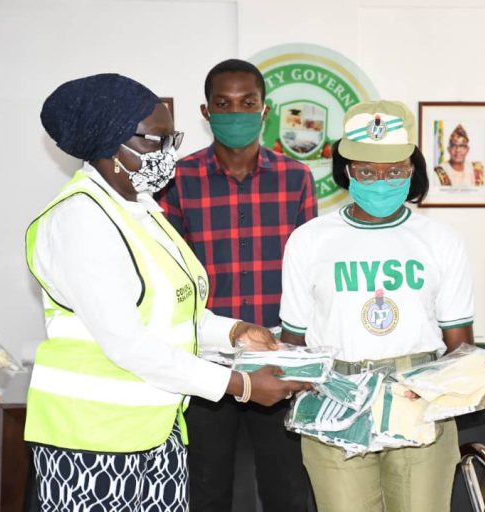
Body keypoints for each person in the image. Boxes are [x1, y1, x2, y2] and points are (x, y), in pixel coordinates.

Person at [25, 73, 310, 512]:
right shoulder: (80, 219)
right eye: (156, 141)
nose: (168, 154)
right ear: (110, 143)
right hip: (93, 438)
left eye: (171, 140)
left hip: (156, 428)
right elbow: (128, 343)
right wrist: (241, 385)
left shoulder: (140, 208)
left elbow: (172, 310)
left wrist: (234, 331)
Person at [279, 100, 475, 512]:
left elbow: (459, 345)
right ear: (347, 171)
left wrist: (452, 386)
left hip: (419, 402)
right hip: (336, 400)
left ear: (412, 168)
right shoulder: (309, 240)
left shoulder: (440, 241)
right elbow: (294, 342)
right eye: (367, 171)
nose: (382, 181)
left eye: (395, 171)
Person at [156, 59, 317, 511]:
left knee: (287, 488)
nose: (236, 113)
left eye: (247, 103)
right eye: (223, 104)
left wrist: (302, 358)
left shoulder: (295, 178)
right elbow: (170, 275)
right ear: (205, 112)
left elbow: (309, 275)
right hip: (206, 362)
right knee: (206, 489)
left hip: (278, 359)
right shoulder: (177, 179)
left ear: (264, 110)